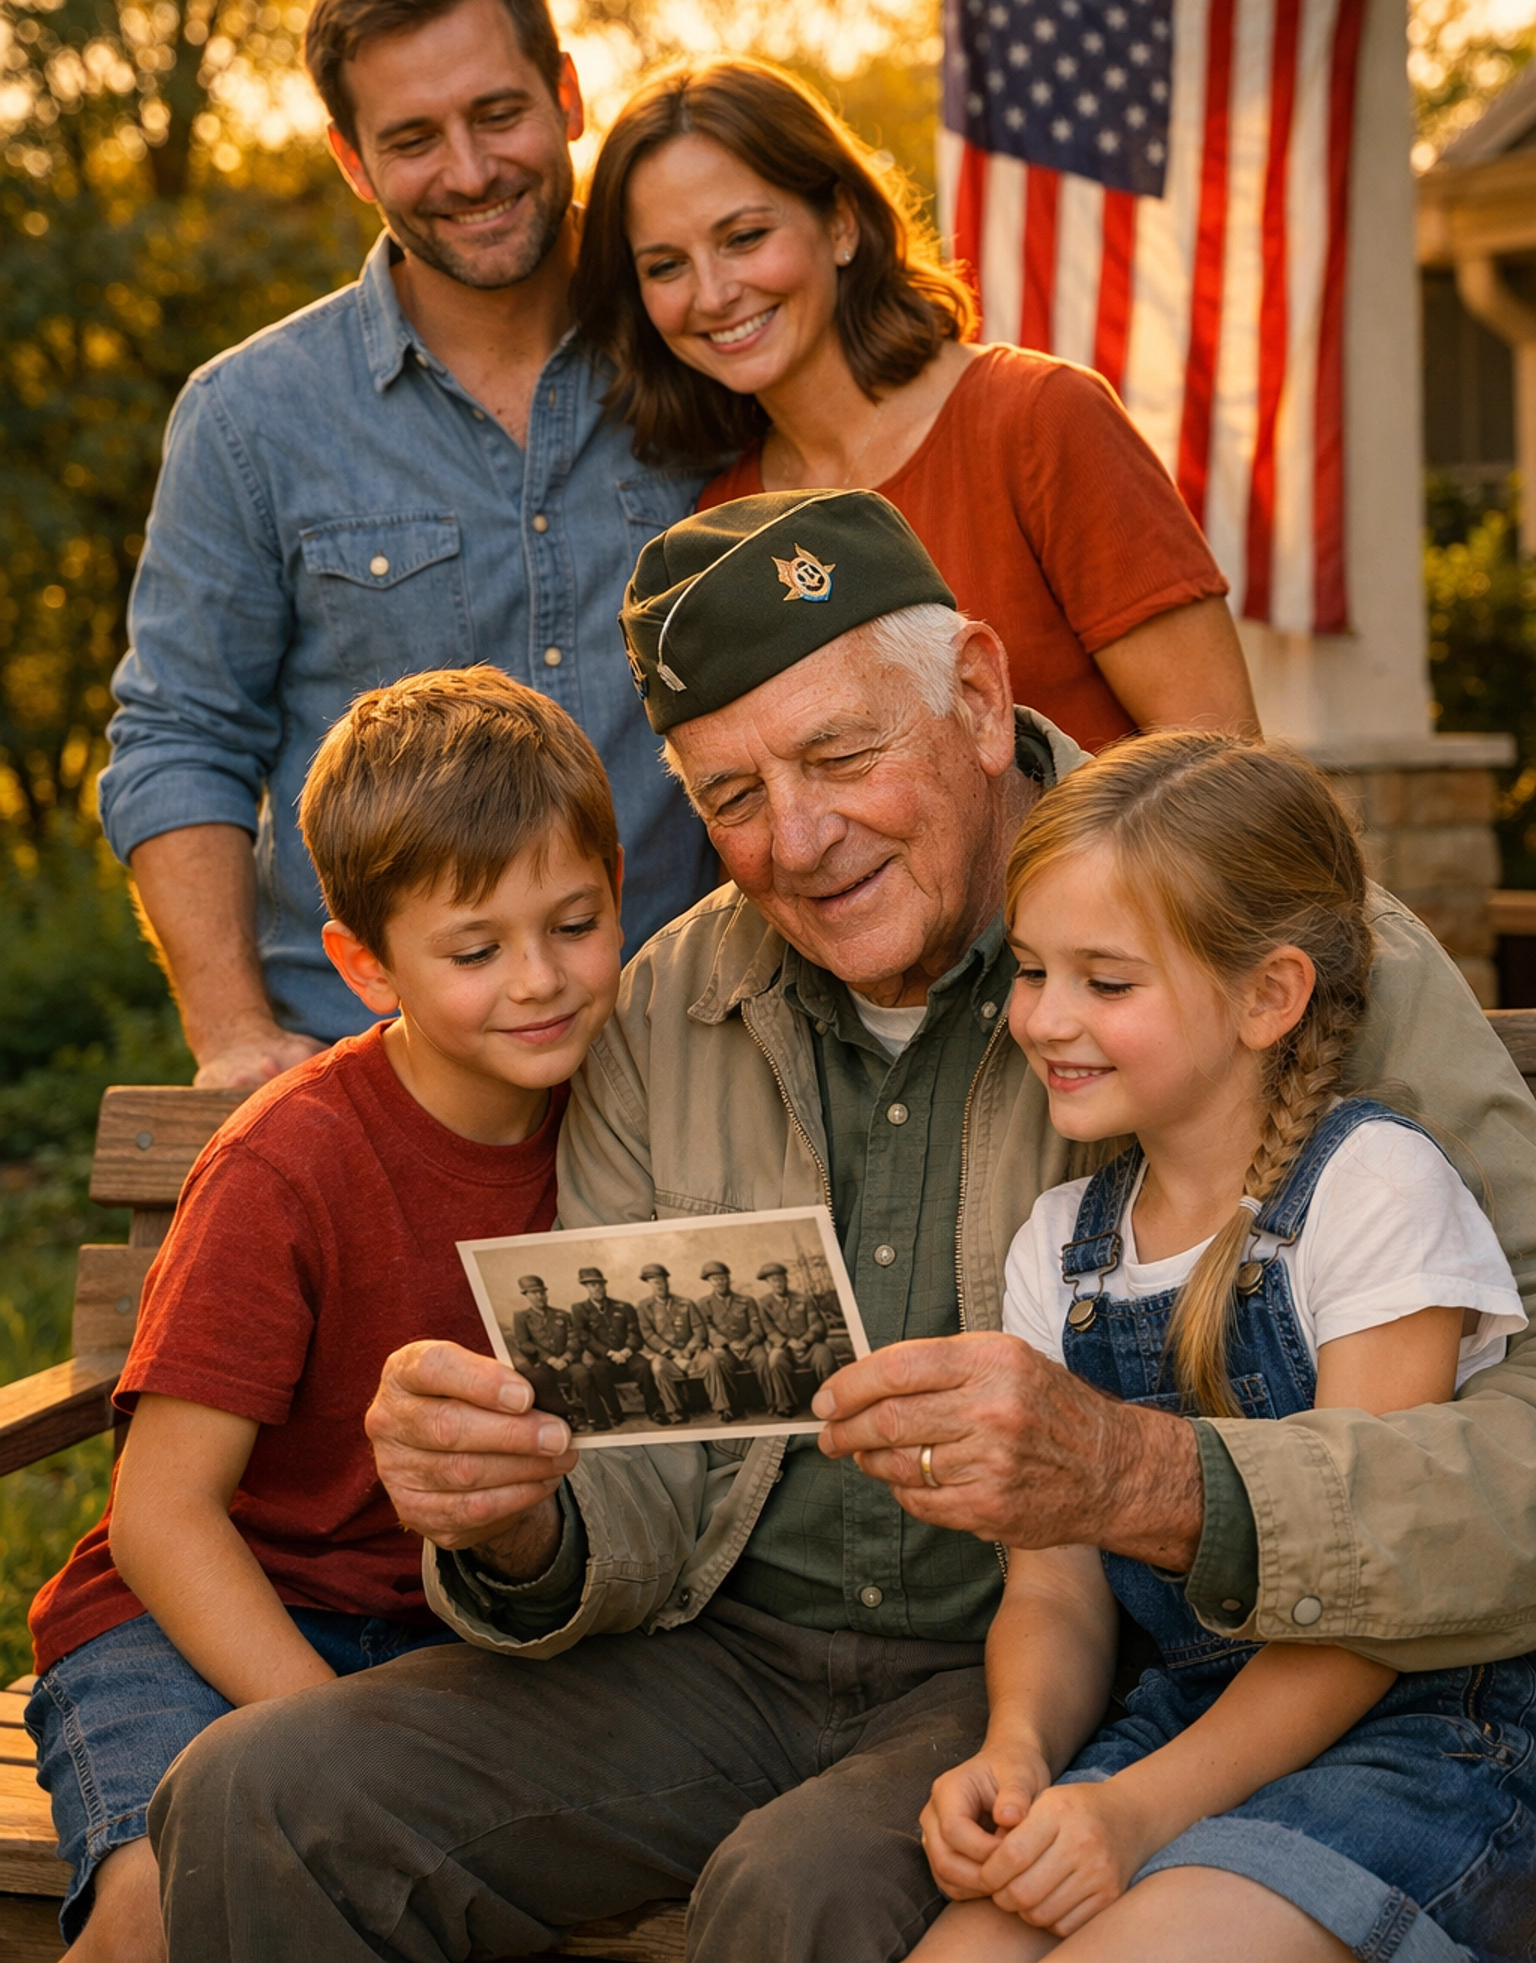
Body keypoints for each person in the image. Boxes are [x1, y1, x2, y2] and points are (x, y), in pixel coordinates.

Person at [147, 492, 1536, 1963]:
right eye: (731, 796)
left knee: (799, 1887)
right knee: (260, 1795)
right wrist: (519, 1517)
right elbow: (638, 1468)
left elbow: (1507, 1435)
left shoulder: (1266, 941)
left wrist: (1139, 1473)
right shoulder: (665, 1012)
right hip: (714, 1655)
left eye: (839, 754)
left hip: (1049, 1666)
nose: (796, 839)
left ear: (982, 697)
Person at [26, 665, 624, 1963]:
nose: (539, 980)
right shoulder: (289, 1162)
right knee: (166, 1897)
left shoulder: (628, 1125)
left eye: (575, 924)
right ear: (364, 965)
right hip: (202, 1619)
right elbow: (160, 1516)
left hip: (451, 1633)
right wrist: (321, 1733)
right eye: (474, 951)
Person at [911, 731, 1531, 1962]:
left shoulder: (1372, 1193)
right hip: (1178, 1718)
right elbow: (1055, 1587)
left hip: (1423, 1738)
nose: (1046, 1018)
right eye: (1032, 971)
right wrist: (1021, 1752)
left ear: (1268, 997)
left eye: (1108, 981)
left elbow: (1377, 1596)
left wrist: (1138, 1811)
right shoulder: (1061, 1246)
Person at [99, 0, 714, 1094]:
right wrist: (232, 1032)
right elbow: (181, 737)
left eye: (498, 113)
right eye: (413, 139)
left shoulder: (696, 356)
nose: (471, 170)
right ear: (351, 159)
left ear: (568, 94)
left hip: (682, 1065)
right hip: (375, 1075)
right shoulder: (252, 417)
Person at [572, 56, 1257, 755]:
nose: (713, 293)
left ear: (841, 222)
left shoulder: (1040, 420)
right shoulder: (723, 519)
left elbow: (1223, 774)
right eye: (666, 266)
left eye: (745, 237)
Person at [508, 1277, 610, 1433]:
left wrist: (567, 1357)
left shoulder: (562, 1314)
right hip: (543, 1365)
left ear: (546, 1294)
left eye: (541, 1292)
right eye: (533, 1293)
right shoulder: (521, 1317)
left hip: (566, 1362)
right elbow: (523, 1344)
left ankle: (597, 1419)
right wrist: (549, 1359)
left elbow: (574, 1340)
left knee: (582, 1373)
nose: (538, 1297)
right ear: (526, 1295)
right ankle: (568, 1418)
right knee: (540, 1378)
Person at [637, 1261, 733, 1424]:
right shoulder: (644, 1307)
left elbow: (699, 1329)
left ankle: (723, 1407)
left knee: (711, 1361)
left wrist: (689, 1350)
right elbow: (649, 1335)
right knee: (658, 1368)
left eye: (663, 1280)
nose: (661, 1285)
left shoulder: (686, 1303)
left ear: (668, 1281)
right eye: (656, 1282)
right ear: (649, 1284)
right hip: (667, 1356)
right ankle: (675, 1411)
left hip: (693, 1352)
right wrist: (673, 1353)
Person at [699, 1259, 793, 1418]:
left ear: (729, 1279)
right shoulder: (704, 1303)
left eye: (722, 1278)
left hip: (751, 1346)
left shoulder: (746, 1301)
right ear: (709, 1281)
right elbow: (708, 1329)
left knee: (763, 1359)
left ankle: (775, 1403)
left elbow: (757, 1328)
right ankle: (731, 1407)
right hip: (726, 1348)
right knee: (720, 1360)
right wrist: (728, 1344)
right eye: (715, 1279)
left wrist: (746, 1343)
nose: (720, 1282)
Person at [570, 1265, 660, 1426]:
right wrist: (610, 1353)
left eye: (599, 1284)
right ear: (586, 1287)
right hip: (604, 1358)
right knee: (597, 1371)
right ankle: (615, 1413)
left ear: (604, 1285)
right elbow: (585, 1338)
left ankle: (654, 1410)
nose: (597, 1288)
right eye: (592, 1285)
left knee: (644, 1366)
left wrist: (626, 1350)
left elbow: (635, 1332)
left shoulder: (624, 1307)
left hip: (628, 1354)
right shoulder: (579, 1310)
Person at [755, 1261, 836, 1395]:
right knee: (775, 1360)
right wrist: (787, 1342)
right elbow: (768, 1329)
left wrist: (805, 1340)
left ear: (786, 1279)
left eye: (781, 1279)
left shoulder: (804, 1299)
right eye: (774, 1281)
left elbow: (817, 1324)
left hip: (810, 1346)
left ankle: (832, 1395)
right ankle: (785, 1405)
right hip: (784, 1348)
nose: (778, 1283)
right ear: (768, 1283)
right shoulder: (763, 1304)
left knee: (824, 1354)